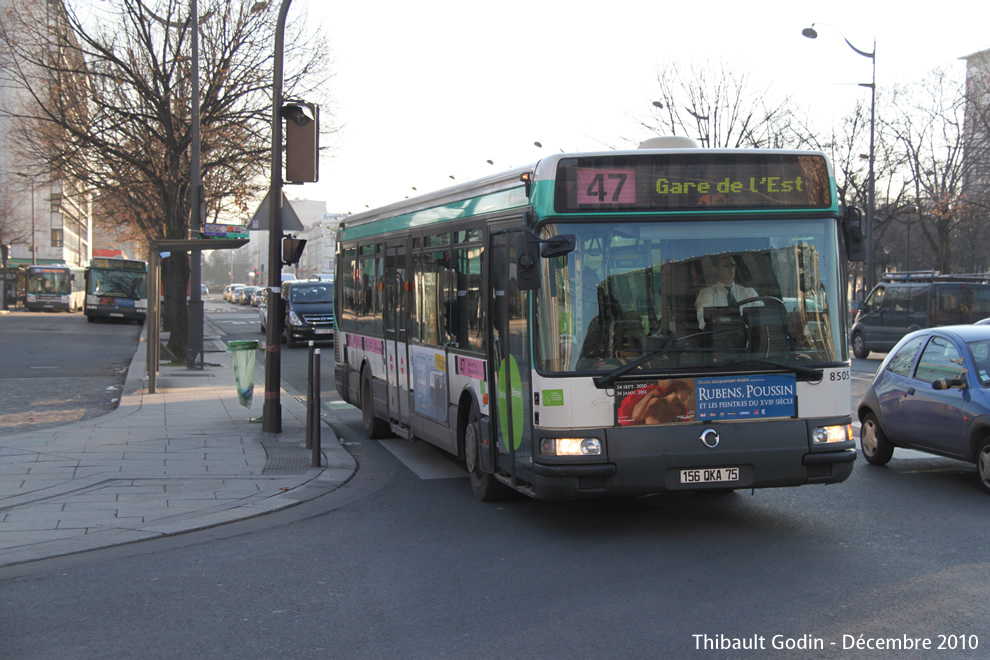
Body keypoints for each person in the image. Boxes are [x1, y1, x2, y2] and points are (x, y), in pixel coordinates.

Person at [695, 255, 761, 329]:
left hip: (750, 337)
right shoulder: (707, 294)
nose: (731, 268)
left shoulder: (749, 293)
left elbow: (762, 318)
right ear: (715, 269)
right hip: (720, 338)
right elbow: (705, 323)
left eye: (733, 264)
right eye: (725, 265)